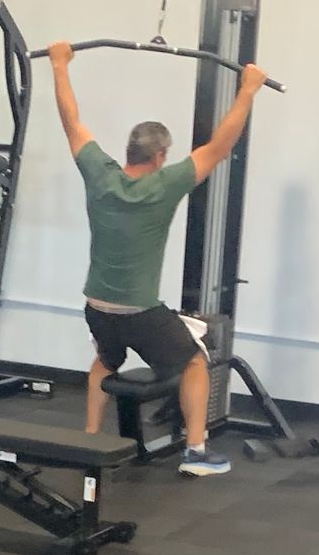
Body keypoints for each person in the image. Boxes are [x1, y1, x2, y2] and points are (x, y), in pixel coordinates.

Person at [47, 41, 269, 479]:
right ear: (160, 156)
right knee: (193, 361)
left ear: (129, 152)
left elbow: (70, 120)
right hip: (140, 312)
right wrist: (248, 90)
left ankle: (88, 442)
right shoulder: (166, 184)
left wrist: (59, 64)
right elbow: (221, 146)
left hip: (97, 307)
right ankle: (197, 452)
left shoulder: (99, 173)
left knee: (105, 361)